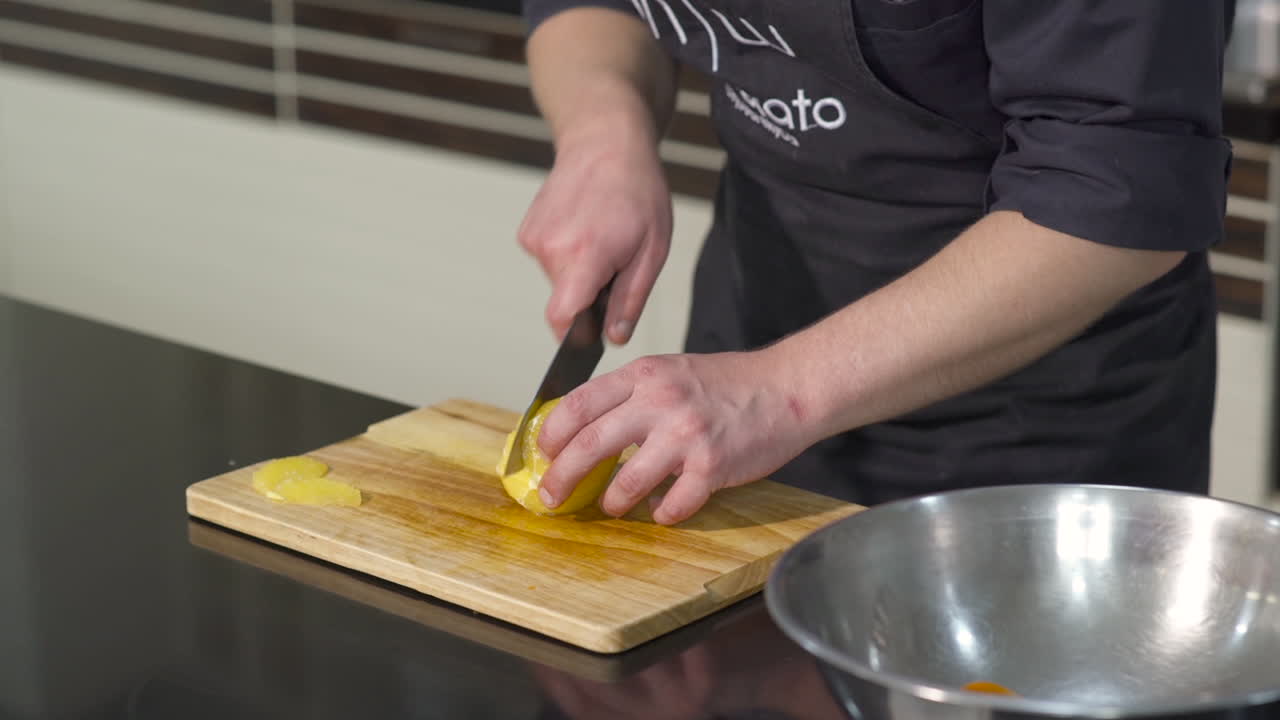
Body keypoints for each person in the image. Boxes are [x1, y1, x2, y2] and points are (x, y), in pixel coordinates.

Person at [515, 0, 1235, 525]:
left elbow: (1114, 188)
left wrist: (781, 393)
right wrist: (602, 130)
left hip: (1030, 448)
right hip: (736, 376)